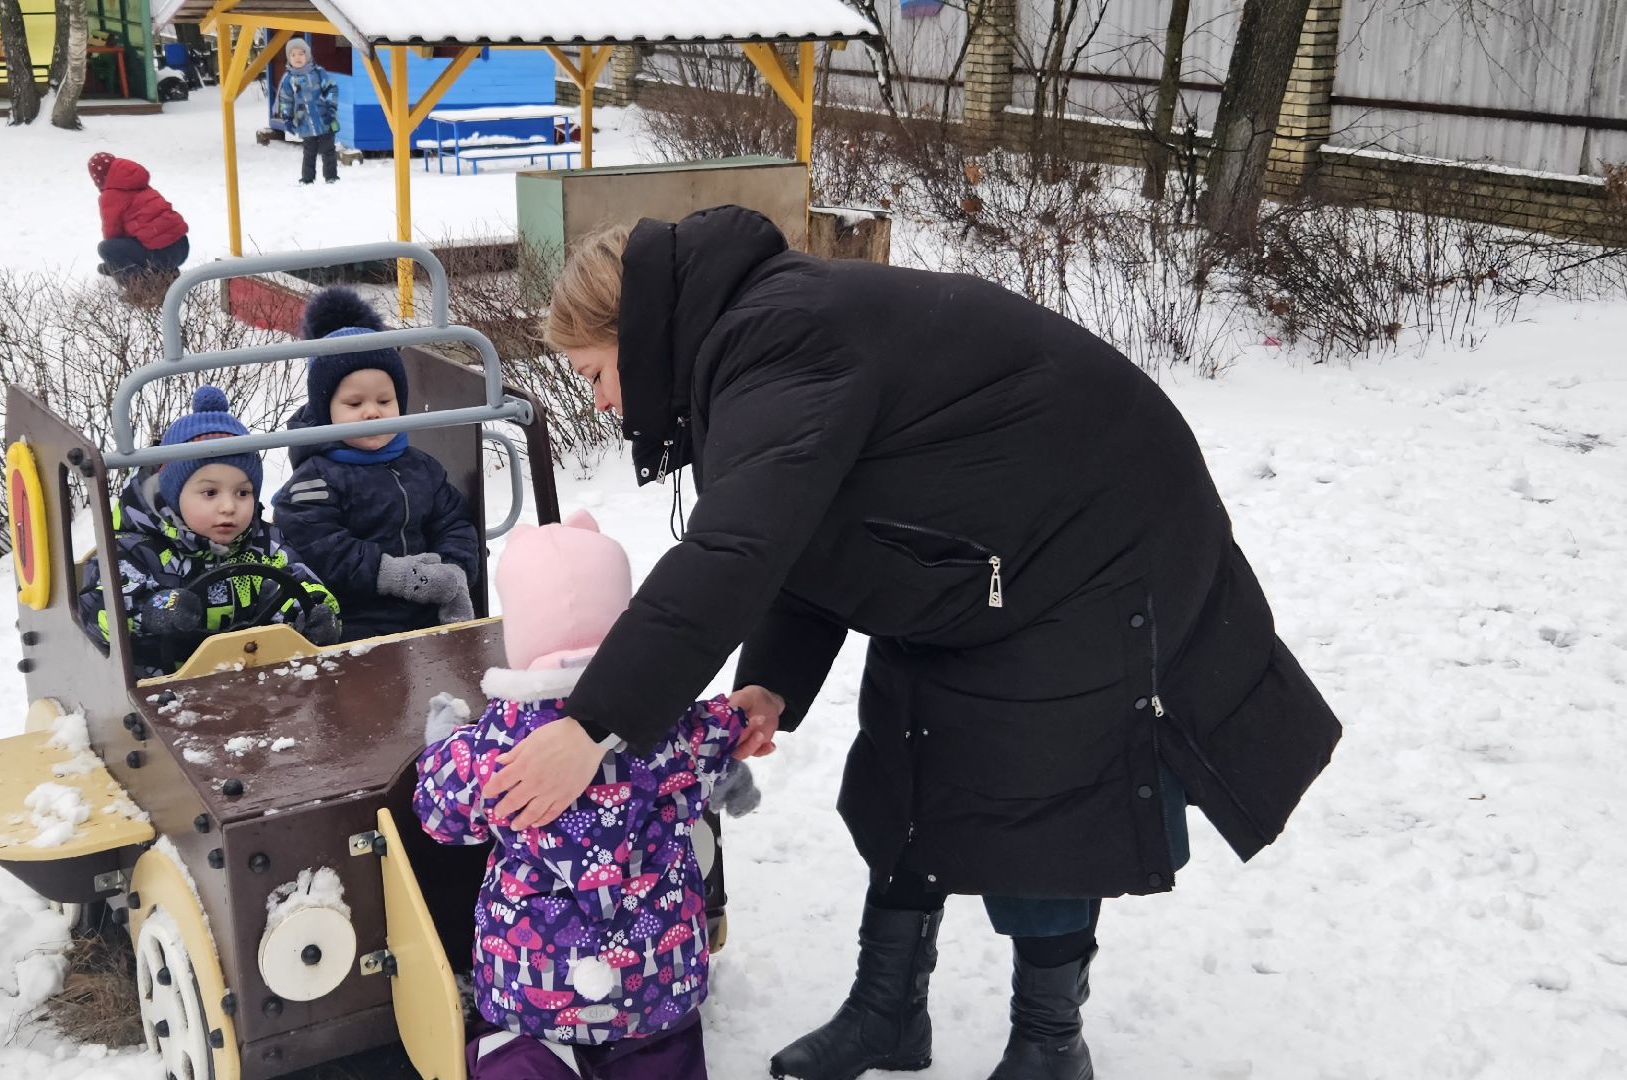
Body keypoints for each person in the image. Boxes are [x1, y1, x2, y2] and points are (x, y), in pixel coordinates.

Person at [478, 206, 1344, 1080]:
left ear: (635, 335)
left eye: (593, 372)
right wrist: (773, 683)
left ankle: (1049, 1043)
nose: (598, 400)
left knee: (1038, 790)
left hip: (1096, 544)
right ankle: (886, 1008)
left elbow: (732, 553)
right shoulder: (753, 343)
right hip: (971, 551)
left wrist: (590, 726)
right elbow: (804, 530)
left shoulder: (775, 338)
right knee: (908, 755)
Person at [413, 510, 760, 1080]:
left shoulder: (496, 747)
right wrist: (735, 754)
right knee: (664, 1048)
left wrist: (440, 744)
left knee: (516, 1056)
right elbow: (722, 735)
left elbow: (439, 812)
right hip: (659, 973)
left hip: (535, 981)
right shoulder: (670, 722)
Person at [79, 386, 340, 679]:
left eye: (242, 492)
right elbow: (98, 613)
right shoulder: (136, 552)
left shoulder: (265, 546)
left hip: (257, 680)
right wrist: (153, 612)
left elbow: (298, 583)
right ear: (173, 494)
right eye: (210, 492)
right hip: (162, 689)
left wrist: (312, 613)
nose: (228, 506)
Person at [271, 286, 480, 642]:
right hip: (355, 622)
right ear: (326, 411)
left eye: (385, 399)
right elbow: (321, 549)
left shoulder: (421, 468)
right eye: (354, 404)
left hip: (424, 614)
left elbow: (454, 523)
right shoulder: (316, 479)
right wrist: (395, 574)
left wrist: (453, 570)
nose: (372, 412)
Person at [87, 152, 191, 287]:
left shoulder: (111, 195)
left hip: (163, 254)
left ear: (99, 179)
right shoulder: (138, 185)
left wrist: (114, 261)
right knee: (150, 237)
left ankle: (141, 288)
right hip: (181, 247)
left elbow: (112, 234)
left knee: (107, 248)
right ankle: (166, 273)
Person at [273, 37, 338, 185]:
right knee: (309, 152)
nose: (297, 57)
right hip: (305, 123)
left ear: (307, 55)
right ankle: (307, 178)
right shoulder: (289, 80)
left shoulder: (318, 73)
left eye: (301, 54)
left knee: (328, 150)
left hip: (324, 119)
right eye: (293, 54)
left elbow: (332, 89)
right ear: (289, 58)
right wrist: (287, 118)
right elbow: (286, 100)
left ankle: (331, 177)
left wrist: (331, 109)